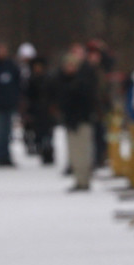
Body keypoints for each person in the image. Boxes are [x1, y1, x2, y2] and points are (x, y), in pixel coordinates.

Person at [57, 53, 97, 192]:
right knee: (74, 154)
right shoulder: (64, 81)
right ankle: (79, 180)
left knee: (82, 154)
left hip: (81, 122)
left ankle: (84, 181)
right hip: (71, 122)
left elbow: (86, 103)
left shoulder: (82, 82)